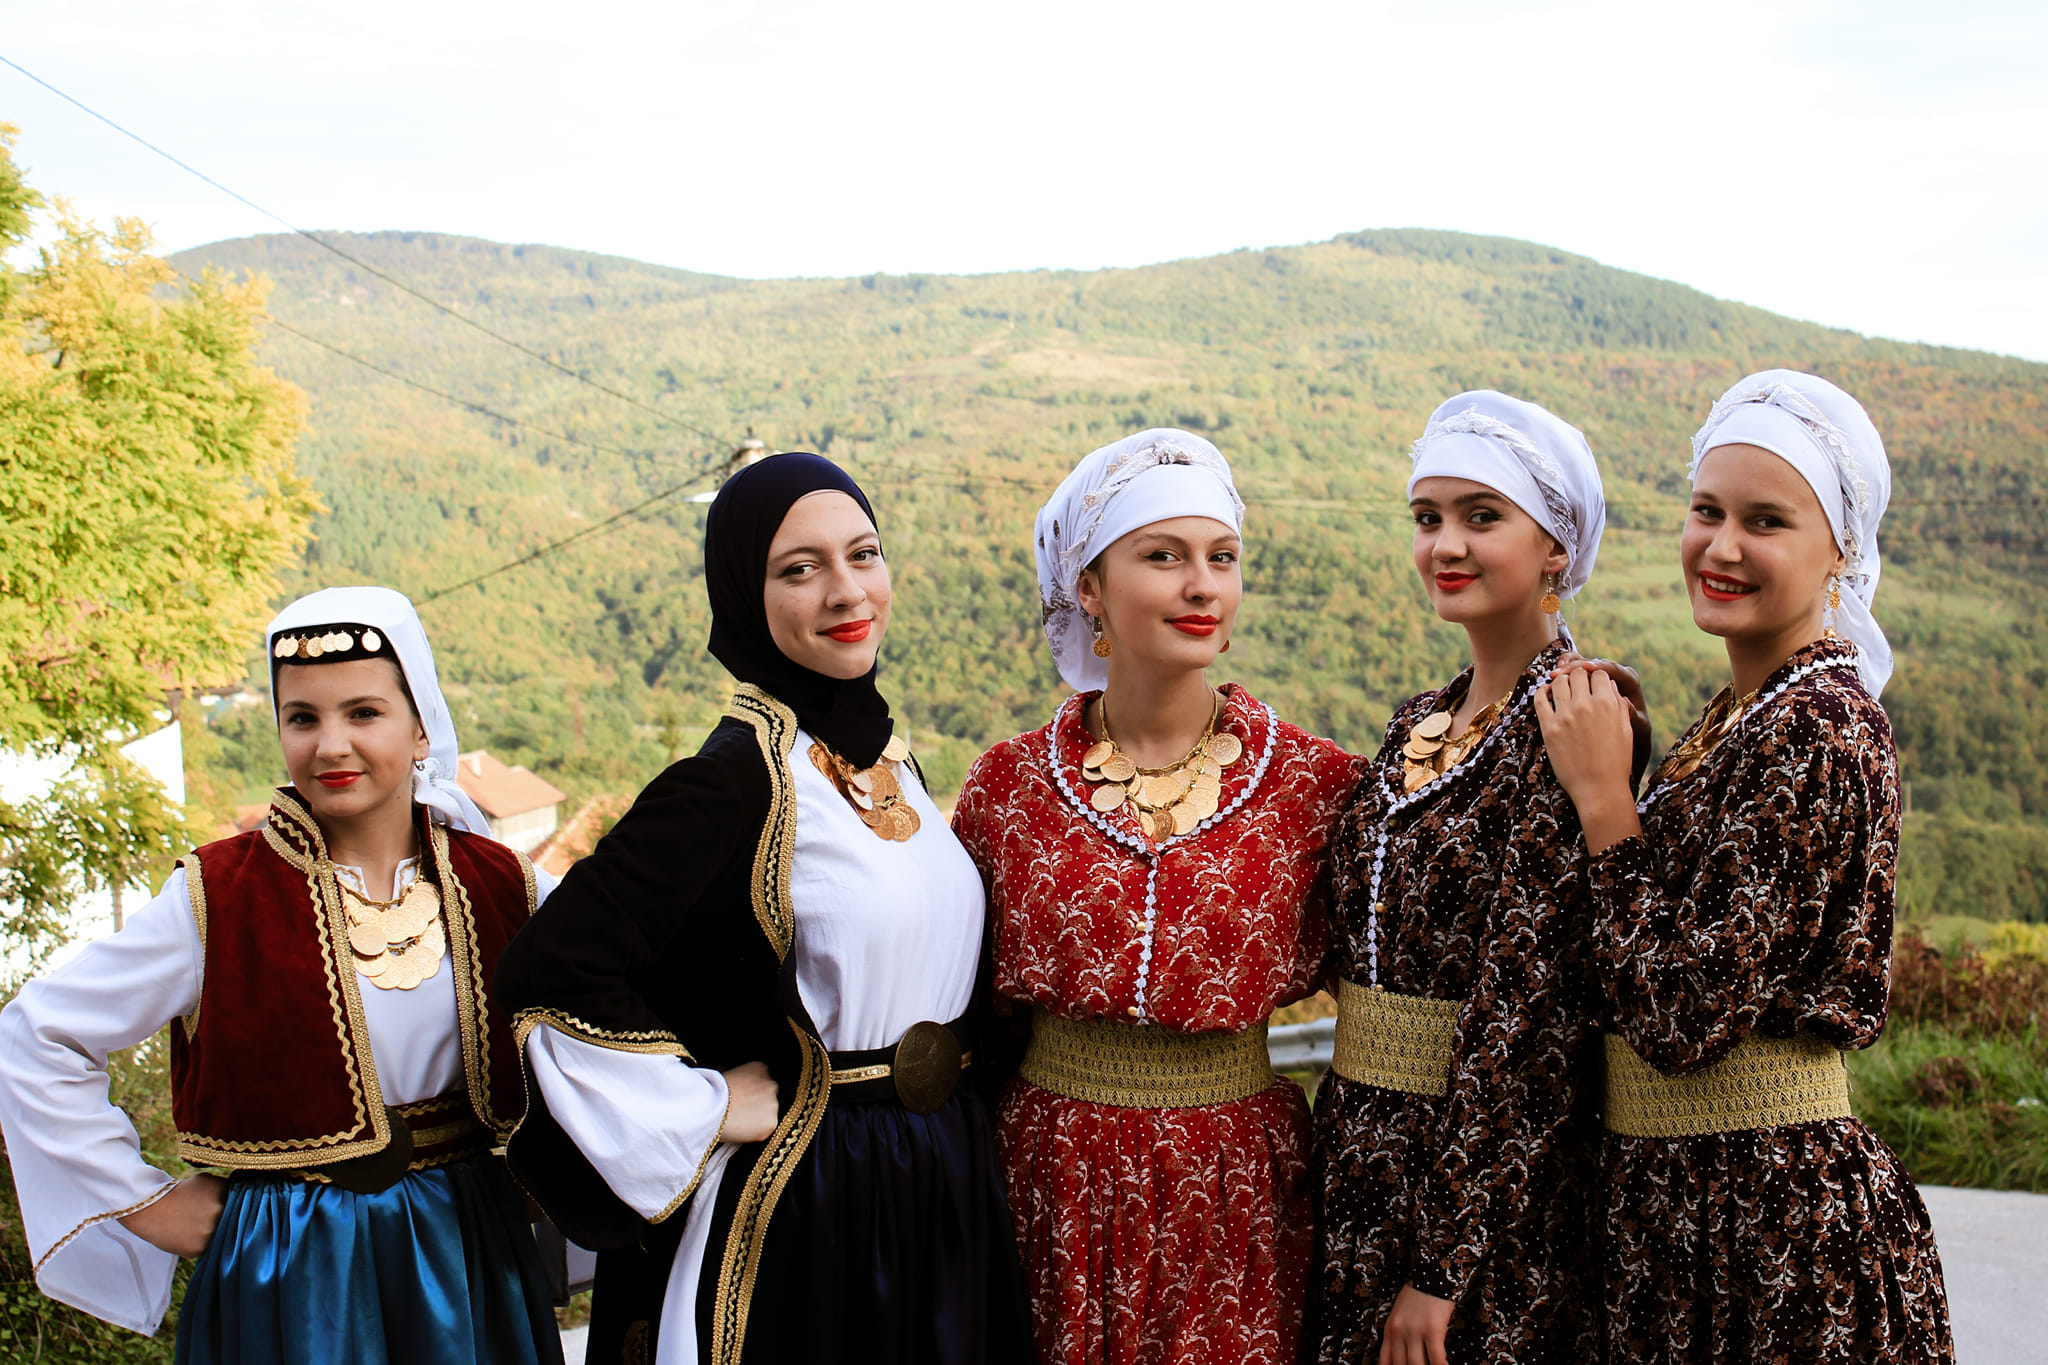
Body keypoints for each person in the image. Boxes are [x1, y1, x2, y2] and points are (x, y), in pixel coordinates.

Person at [495, 453, 1029, 1365]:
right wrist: (705, 1106)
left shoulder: (885, 758)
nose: (846, 590)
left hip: (938, 1175)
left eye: (863, 553)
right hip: (814, 1207)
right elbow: (549, 974)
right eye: (800, 568)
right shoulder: (733, 781)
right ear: (746, 592)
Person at [0, 586, 562, 1364]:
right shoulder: (218, 895)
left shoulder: (505, 883)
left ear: (421, 726)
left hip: (465, 1247)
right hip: (292, 1262)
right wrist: (145, 1202)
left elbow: (624, 1005)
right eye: (302, 717)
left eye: (363, 712)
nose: (331, 744)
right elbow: (36, 1034)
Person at [1536, 370, 1954, 1362]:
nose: (1720, 546)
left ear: (1839, 550)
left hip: (1764, 1225)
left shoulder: (1819, 727)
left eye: (1764, 521)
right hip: (1682, 1204)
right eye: (1706, 511)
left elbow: (1681, 1014)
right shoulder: (1742, 717)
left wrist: (1604, 800)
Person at [951, 428, 1361, 1365]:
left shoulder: (1315, 786)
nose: (1202, 585)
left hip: (1237, 1191)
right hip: (1048, 1184)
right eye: (1164, 556)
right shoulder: (1007, 787)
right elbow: (968, 1010)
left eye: (1223, 557)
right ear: (1089, 587)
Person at [1307, 392, 1614, 1365]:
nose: (1445, 543)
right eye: (1427, 516)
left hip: (1476, 1196)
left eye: (1481, 516)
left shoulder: (1570, 717)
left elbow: (1529, 1016)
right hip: (1357, 1154)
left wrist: (1442, 1264)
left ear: (1555, 546)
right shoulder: (1416, 720)